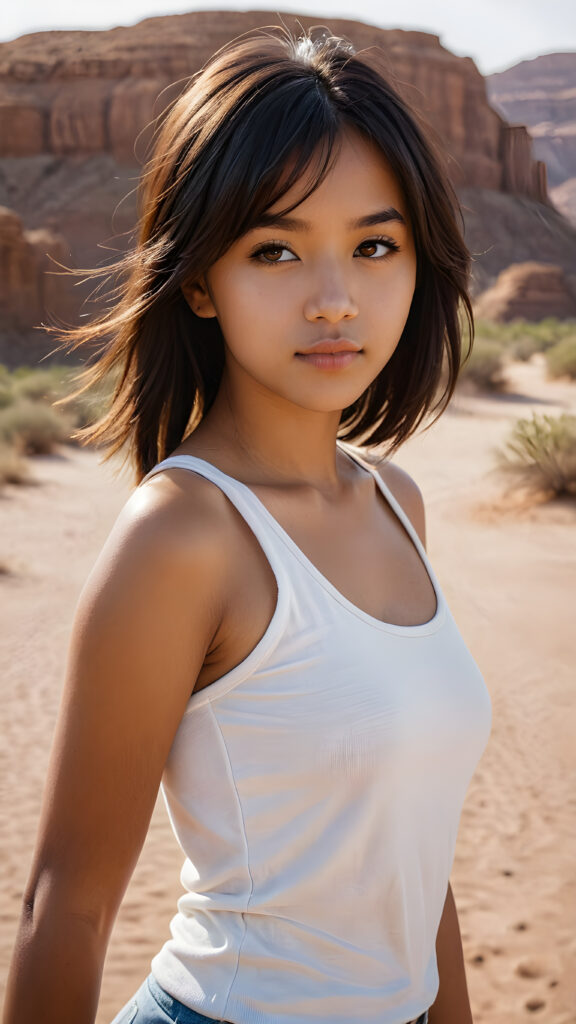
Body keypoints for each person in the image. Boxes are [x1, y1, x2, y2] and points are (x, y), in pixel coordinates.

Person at [3, 27, 492, 1024]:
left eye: (374, 245)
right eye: (275, 249)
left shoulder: (398, 502)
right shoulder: (180, 537)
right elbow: (69, 905)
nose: (333, 300)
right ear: (198, 279)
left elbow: (413, 858)